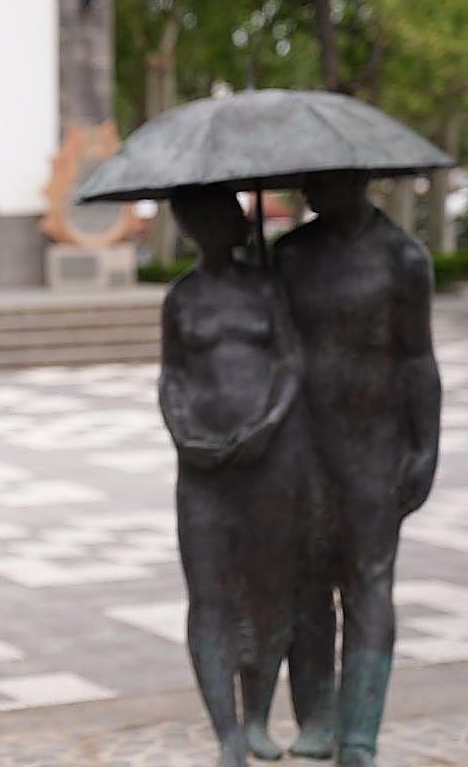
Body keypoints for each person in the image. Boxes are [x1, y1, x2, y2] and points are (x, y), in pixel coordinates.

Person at [275, 171, 441, 767]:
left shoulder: (403, 258)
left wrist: (426, 447)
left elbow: (418, 357)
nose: (307, 195)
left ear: (354, 182)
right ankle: (316, 718)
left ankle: (361, 730)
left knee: (369, 585)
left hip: (375, 445)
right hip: (301, 444)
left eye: (317, 184)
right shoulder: (289, 254)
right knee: (305, 587)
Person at [159, 185, 316, 767]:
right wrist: (183, 433)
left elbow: (290, 362)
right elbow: (171, 376)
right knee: (209, 597)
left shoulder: (267, 289)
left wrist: (270, 425)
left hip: (268, 461)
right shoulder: (181, 299)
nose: (213, 231)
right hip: (202, 467)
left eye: (221, 219)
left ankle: (257, 717)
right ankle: (225, 730)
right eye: (199, 222)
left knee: (270, 592)